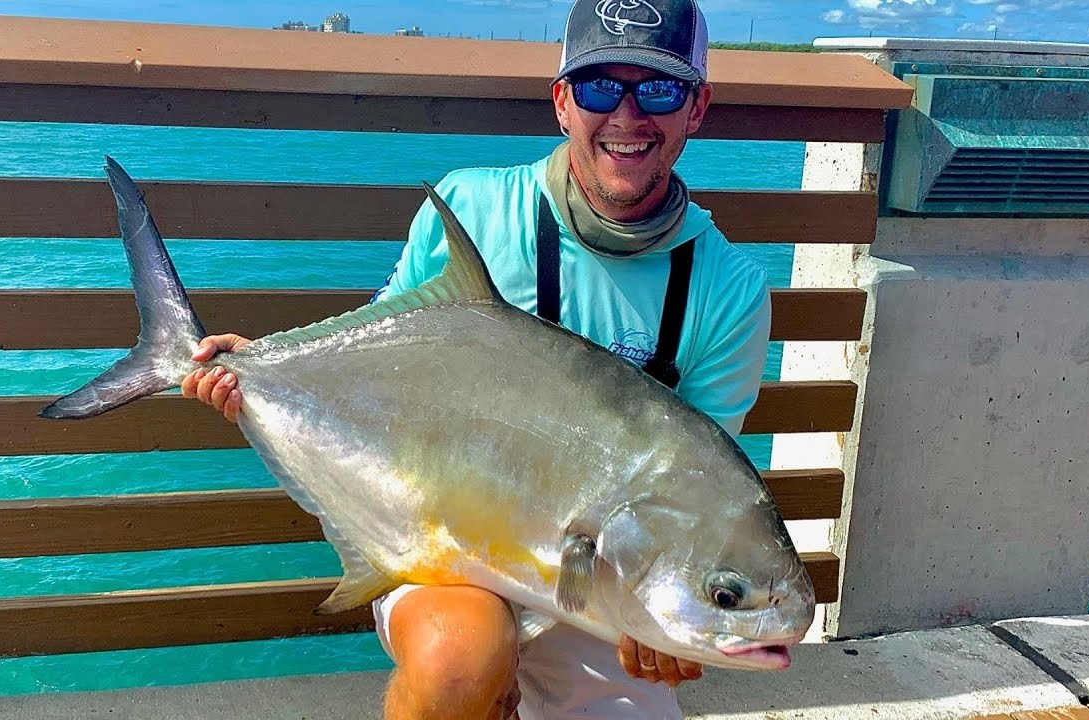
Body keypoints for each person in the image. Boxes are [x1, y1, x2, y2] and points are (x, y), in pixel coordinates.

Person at [183, 0, 772, 717]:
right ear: (561, 101)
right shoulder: (473, 207)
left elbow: (700, 497)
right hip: (443, 538)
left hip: (605, 589)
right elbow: (380, 346)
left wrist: (676, 624)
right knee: (460, 667)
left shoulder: (727, 289)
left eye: (657, 90)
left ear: (697, 106)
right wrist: (261, 367)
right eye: (597, 89)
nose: (626, 116)